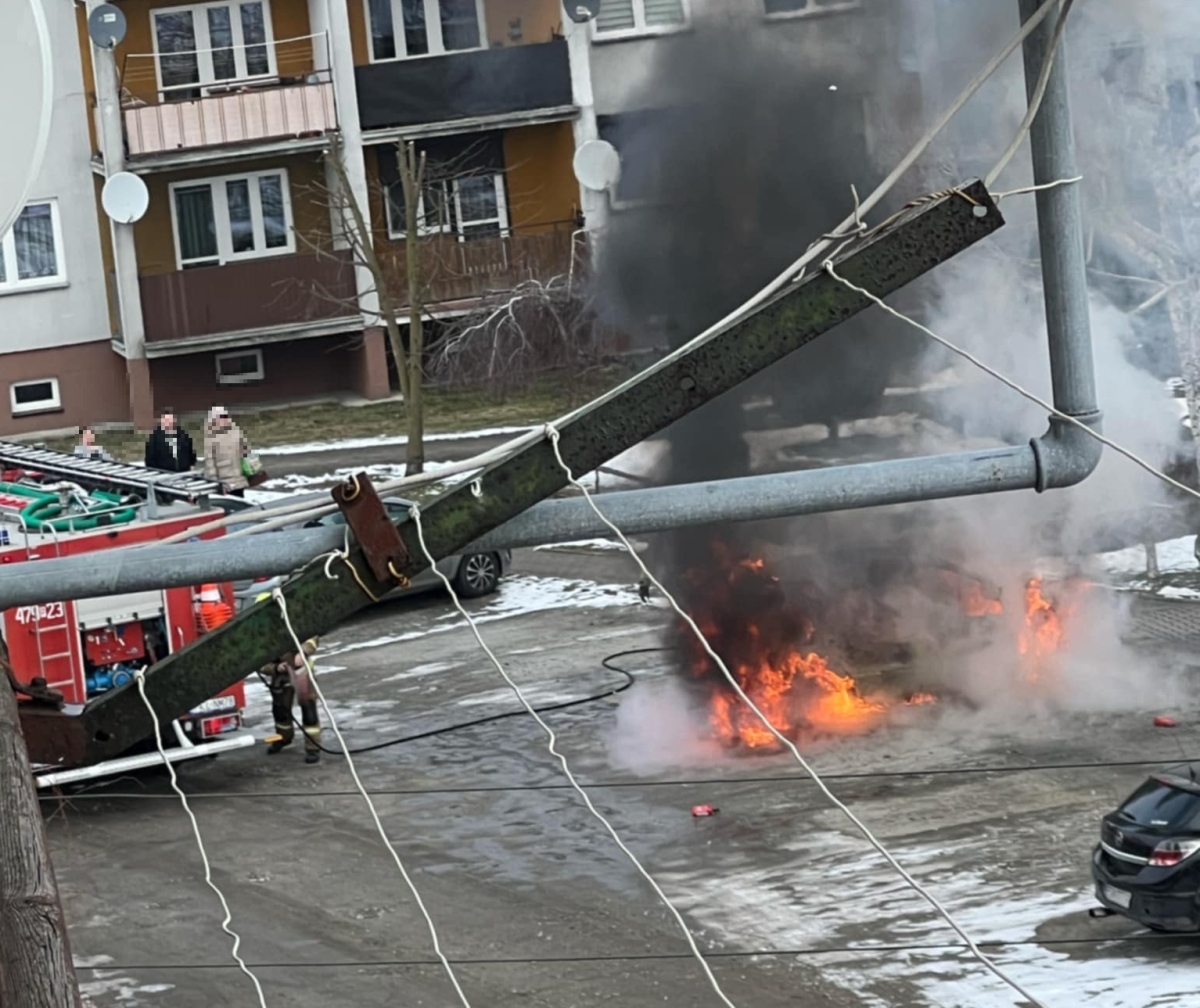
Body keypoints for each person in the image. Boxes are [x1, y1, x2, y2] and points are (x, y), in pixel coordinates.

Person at [257, 608, 322, 765]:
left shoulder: (295, 622)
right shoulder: (262, 635)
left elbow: (313, 638)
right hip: (280, 676)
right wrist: (275, 668)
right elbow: (259, 662)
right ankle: (283, 739)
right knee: (280, 712)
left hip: (302, 673)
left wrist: (303, 651)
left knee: (309, 711)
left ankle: (312, 748)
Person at [202, 406, 248, 497]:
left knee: (241, 499)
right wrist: (214, 479)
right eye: (220, 417)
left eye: (224, 417)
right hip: (224, 477)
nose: (223, 420)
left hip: (239, 474)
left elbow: (245, 448)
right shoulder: (211, 437)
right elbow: (210, 460)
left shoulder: (235, 431)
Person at [144, 408, 196, 474]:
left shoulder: (183, 435)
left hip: (184, 472)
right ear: (161, 421)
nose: (168, 422)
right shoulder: (154, 438)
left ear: (174, 420)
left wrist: (192, 464)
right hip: (164, 474)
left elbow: (190, 451)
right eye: (165, 420)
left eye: (170, 420)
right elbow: (149, 459)